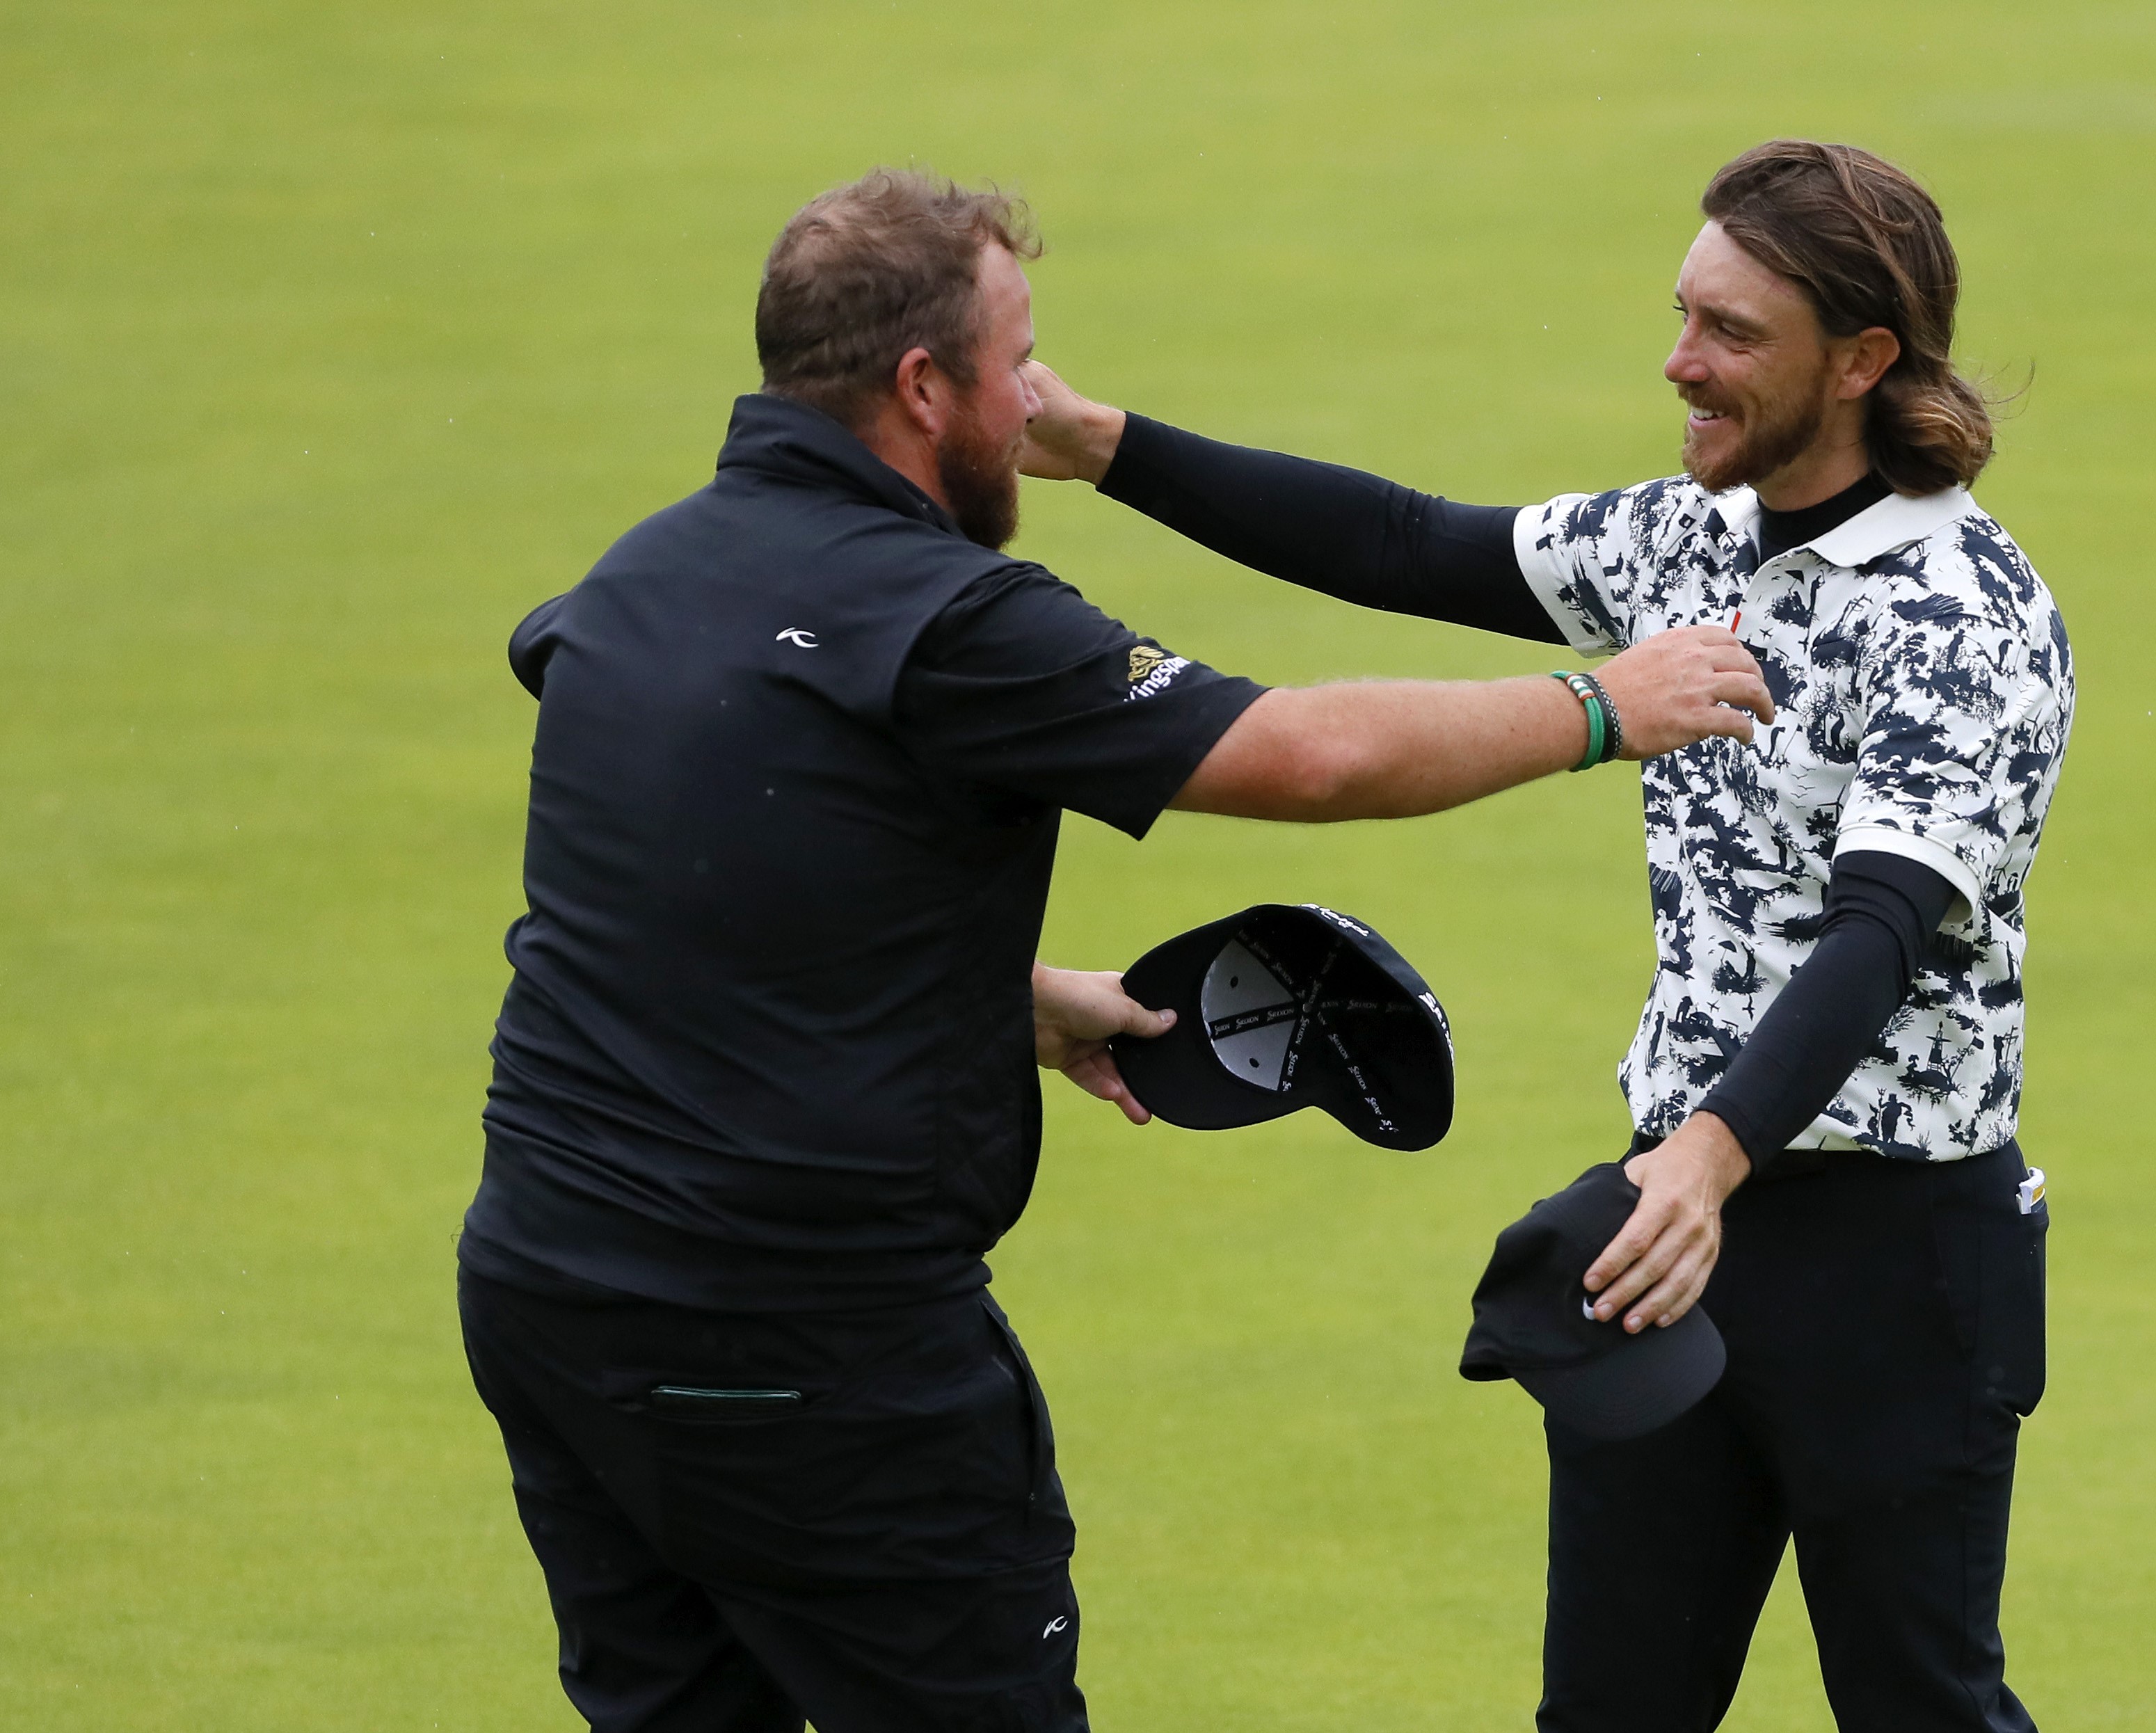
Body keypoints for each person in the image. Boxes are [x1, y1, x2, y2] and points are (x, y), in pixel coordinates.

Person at [454, 168, 1773, 1733]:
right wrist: (1600, 707)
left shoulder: (635, 583)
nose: (1032, 403)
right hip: (799, 1335)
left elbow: (693, 884)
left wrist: (999, 999)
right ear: (920, 385)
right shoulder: (948, 622)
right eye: (1015, 362)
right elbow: (1303, 756)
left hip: (547, 1298)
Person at [1019, 139, 2074, 1732]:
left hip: (1894, 1256)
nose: (1679, 362)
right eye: (1681, 314)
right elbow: (1400, 544)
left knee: (1920, 1707)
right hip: (1668, 1231)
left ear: (1858, 361)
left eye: (1730, 334)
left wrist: (1706, 1157)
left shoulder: (1963, 616)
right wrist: (1103, 448)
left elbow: (1875, 937)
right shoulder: (1683, 537)